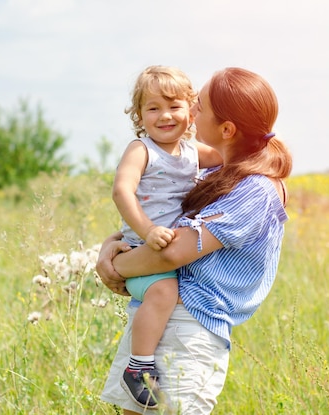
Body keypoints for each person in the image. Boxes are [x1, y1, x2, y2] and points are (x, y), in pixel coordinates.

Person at [97, 67, 293, 414]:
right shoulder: (214, 173)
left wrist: (112, 267)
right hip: (156, 315)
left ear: (227, 129)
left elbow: (170, 253)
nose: (189, 112)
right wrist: (108, 249)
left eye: (197, 105)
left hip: (190, 326)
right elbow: (156, 216)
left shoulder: (256, 190)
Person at [113, 65, 222, 409]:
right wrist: (146, 230)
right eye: (153, 108)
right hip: (143, 251)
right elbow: (121, 190)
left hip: (168, 253)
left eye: (175, 106)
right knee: (164, 290)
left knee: (170, 289)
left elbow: (227, 155)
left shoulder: (191, 151)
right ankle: (139, 367)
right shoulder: (141, 149)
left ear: (191, 110)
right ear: (139, 115)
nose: (165, 116)